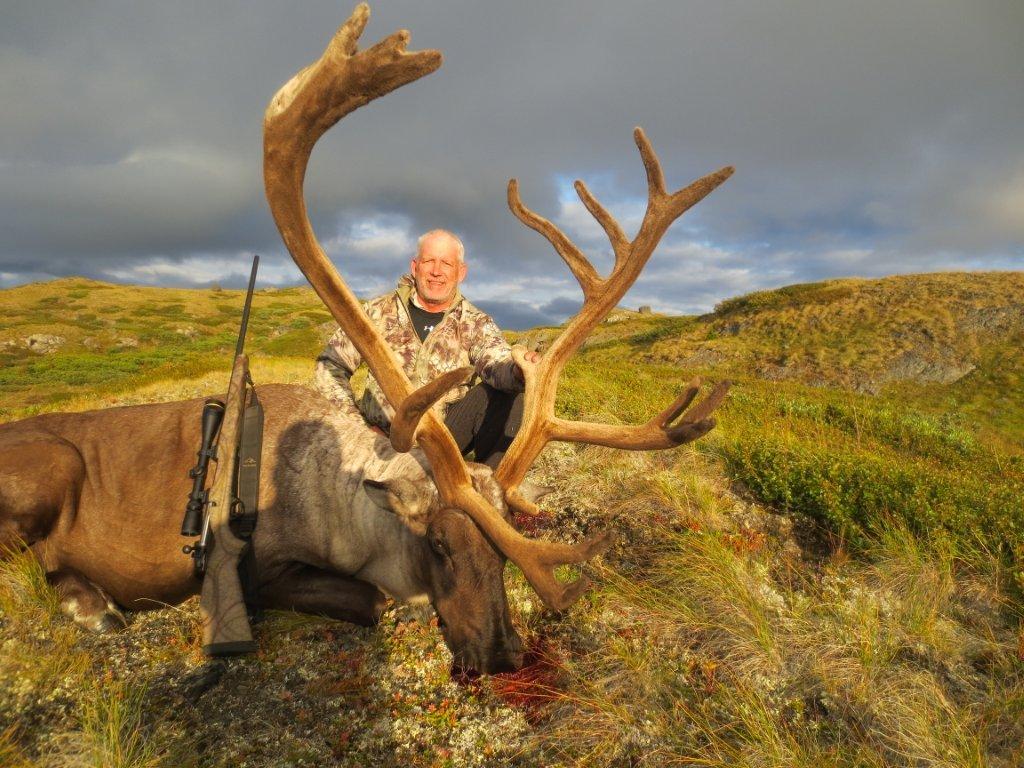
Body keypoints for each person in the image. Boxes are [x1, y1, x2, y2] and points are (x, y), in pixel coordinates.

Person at [314, 229, 540, 468]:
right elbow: (331, 364)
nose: (436, 271)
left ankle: (490, 493)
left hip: (443, 439)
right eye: (429, 261)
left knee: (505, 397)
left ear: (460, 272)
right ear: (415, 267)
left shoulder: (475, 322)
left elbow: (496, 361)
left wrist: (518, 370)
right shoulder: (376, 312)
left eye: (446, 263)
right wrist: (357, 428)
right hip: (380, 441)